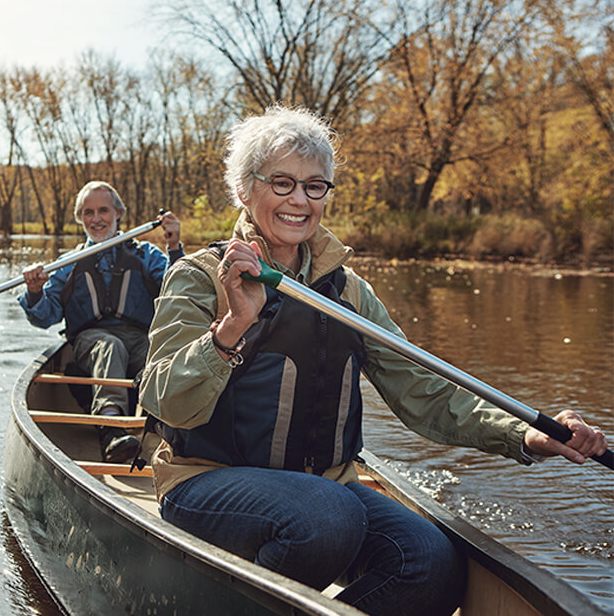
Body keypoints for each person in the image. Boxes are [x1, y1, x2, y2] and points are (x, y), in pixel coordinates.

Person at [139, 105, 608, 616]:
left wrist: (524, 433)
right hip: (207, 481)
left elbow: (425, 390)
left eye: (315, 186)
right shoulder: (198, 275)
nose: (299, 200)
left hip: (326, 490)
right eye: (282, 183)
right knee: (327, 518)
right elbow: (165, 399)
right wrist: (232, 326)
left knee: (429, 564)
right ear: (244, 191)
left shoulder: (350, 293)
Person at [20, 180, 183, 463]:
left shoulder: (147, 256)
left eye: (103, 210)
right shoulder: (68, 263)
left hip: (140, 338)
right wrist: (34, 291)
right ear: (80, 218)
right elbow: (44, 317)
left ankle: (170, 428)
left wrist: (174, 246)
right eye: (88, 212)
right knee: (110, 346)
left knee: (159, 351)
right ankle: (111, 429)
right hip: (90, 341)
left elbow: (180, 292)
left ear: (118, 213)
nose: (96, 219)